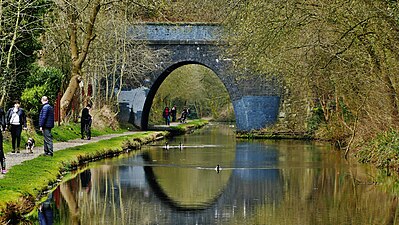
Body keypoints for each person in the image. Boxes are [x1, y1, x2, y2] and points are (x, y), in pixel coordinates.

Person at [0, 107, 6, 174]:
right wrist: (3, 128)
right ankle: (3, 168)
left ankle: (3, 167)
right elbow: (3, 122)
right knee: (0, 149)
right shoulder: (1, 110)